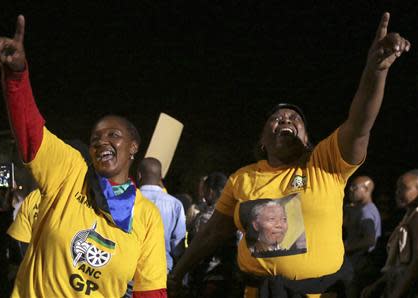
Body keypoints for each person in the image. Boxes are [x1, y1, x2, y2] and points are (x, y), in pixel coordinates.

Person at [170, 12, 410, 297]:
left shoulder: (326, 162)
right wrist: (177, 274)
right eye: (277, 118)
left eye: (295, 119)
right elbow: (212, 233)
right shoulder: (243, 178)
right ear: (262, 141)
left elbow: (360, 123)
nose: (285, 119)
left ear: (308, 139)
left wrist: (376, 70)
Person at [0, 15, 167, 297]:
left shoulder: (147, 216)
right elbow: (31, 134)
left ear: (134, 147)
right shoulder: (70, 171)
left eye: (114, 135)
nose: (102, 142)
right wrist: (17, 76)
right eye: (95, 138)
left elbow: (151, 291)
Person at [361, 169, 418, 298]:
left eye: (404, 188)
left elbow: (415, 264)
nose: (398, 192)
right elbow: (398, 264)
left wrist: (397, 293)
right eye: (398, 188)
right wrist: (377, 285)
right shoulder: (407, 218)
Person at [137, 157, 186, 273]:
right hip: (160, 268)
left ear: (139, 175)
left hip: (129, 266)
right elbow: (178, 245)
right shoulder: (175, 204)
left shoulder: (128, 199)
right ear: (160, 177)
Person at [343, 176, 381, 297]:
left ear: (366, 189)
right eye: (350, 187)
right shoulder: (363, 209)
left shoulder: (366, 211)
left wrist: (344, 248)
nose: (350, 190)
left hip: (359, 263)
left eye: (355, 187)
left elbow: (369, 240)